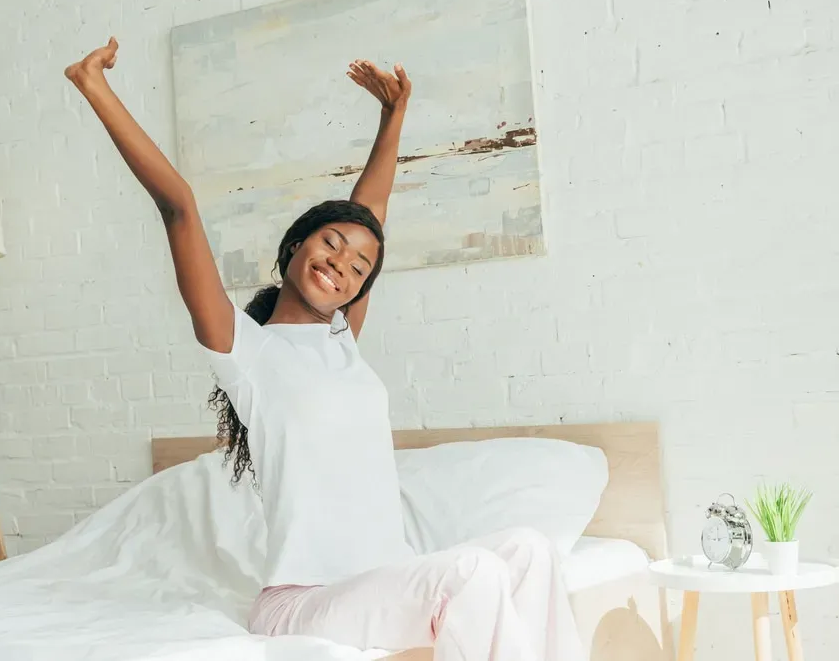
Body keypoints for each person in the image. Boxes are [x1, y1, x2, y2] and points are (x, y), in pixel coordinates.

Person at [66, 37, 585, 661]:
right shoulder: (245, 352)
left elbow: (372, 211)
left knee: (529, 548)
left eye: (361, 265)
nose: (344, 264)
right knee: (473, 572)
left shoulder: (342, 341)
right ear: (294, 249)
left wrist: (394, 116)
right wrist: (96, 85)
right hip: (303, 602)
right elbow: (178, 207)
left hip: (383, 583)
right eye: (331, 244)